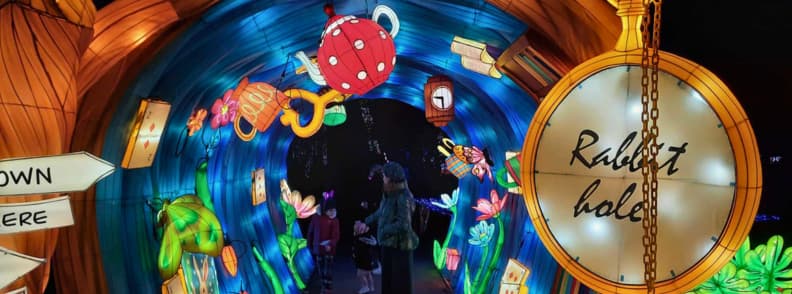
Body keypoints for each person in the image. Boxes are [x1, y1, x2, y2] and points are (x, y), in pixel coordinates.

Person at [355, 161, 419, 294]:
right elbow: (380, 212)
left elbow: (404, 225)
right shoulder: (389, 194)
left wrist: (383, 230)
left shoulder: (403, 197)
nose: (383, 178)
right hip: (388, 245)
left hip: (400, 248)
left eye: (384, 176)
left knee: (399, 284)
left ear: (392, 178)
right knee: (388, 282)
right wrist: (366, 222)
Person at [308, 199, 340, 292]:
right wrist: (309, 245)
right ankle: (323, 286)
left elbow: (336, 235)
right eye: (329, 210)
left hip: (329, 250)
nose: (331, 212)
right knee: (320, 270)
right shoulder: (316, 217)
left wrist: (331, 244)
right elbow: (311, 231)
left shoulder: (334, 219)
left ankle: (328, 288)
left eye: (332, 210)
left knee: (328, 270)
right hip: (318, 248)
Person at [352, 227, 378, 293]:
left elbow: (373, 243)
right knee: (368, 273)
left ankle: (365, 286)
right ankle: (371, 287)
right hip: (365, 259)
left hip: (364, 259)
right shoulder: (360, 237)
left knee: (360, 274)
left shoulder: (364, 238)